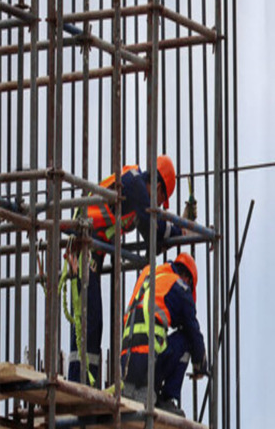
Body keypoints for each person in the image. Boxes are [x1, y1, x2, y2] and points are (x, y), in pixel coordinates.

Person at [64, 155, 187, 387]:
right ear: (158, 187)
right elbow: (157, 231)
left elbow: (152, 241)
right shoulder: (136, 186)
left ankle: (82, 382)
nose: (159, 205)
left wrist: (175, 231)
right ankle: (78, 383)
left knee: (91, 322)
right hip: (83, 245)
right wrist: (182, 230)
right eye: (162, 200)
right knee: (88, 320)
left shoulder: (135, 190)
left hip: (92, 250)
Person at [120, 253, 208, 416]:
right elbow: (193, 331)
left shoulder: (148, 274)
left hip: (125, 364)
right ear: (187, 278)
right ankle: (166, 399)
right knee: (186, 340)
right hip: (147, 365)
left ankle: (143, 386)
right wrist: (200, 364)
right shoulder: (179, 286)